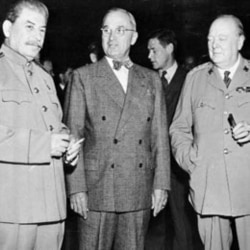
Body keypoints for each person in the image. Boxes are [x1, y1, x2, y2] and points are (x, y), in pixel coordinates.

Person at [63, 7, 170, 250]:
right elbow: (73, 136)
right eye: (106, 30)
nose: (112, 37)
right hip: (96, 189)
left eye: (120, 30)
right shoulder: (83, 77)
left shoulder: (151, 79)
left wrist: (161, 184)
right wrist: (76, 188)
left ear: (133, 37)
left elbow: (159, 138)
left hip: (137, 188)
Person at [0, 0, 81, 249]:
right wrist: (45, 144)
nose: (37, 37)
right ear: (7, 28)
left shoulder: (45, 79)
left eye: (42, 30)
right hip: (14, 211)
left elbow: (55, 126)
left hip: (52, 209)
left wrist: (68, 148)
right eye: (29, 27)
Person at [170, 14, 250, 250]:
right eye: (210, 39)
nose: (214, 44)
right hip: (209, 186)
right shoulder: (195, 79)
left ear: (240, 42)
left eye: (222, 38)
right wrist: (191, 160)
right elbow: (179, 128)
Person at [147, 28, 199, 250]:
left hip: (178, 168)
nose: (149, 56)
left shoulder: (190, 78)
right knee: (152, 227)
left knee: (182, 225)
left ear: (169, 48)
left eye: (154, 50)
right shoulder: (146, 80)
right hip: (151, 166)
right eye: (148, 51)